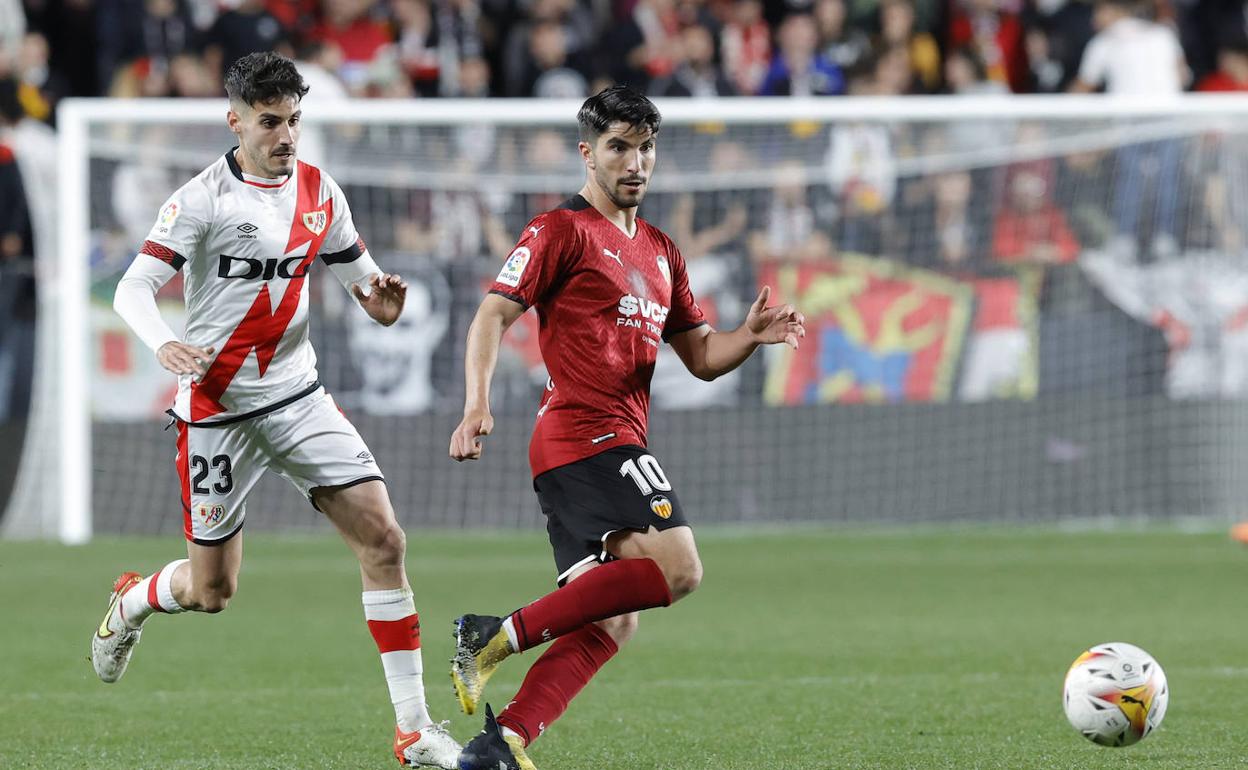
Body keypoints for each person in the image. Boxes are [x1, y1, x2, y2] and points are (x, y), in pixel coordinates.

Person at [91, 52, 459, 770]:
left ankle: (414, 731)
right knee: (213, 591)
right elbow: (133, 288)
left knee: (384, 541)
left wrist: (381, 305)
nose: (286, 135)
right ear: (235, 120)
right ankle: (135, 600)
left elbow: (363, 281)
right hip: (218, 412)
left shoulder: (323, 192)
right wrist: (165, 342)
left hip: (299, 396)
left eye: (294, 120)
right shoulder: (200, 199)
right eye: (270, 122)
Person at [447, 85, 806, 770]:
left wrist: (749, 337)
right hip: (586, 435)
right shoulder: (561, 231)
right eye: (618, 146)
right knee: (681, 570)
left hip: (595, 445)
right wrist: (476, 404)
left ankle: (501, 744)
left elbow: (701, 357)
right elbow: (492, 314)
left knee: (613, 618)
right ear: (587, 153)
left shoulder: (663, 251)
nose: (634, 162)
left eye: (645, 148)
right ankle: (493, 637)